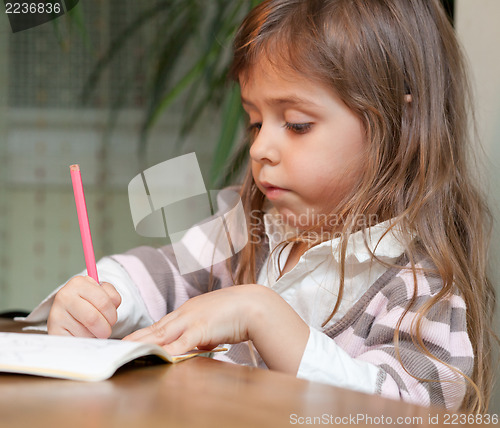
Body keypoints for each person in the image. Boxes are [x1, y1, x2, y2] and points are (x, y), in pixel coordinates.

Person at [43, 0, 496, 413]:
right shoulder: (250, 227)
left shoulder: (422, 289)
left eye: (297, 124)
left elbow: (407, 414)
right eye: (255, 121)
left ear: (400, 120)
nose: (260, 147)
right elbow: (156, 278)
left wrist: (262, 313)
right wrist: (101, 298)